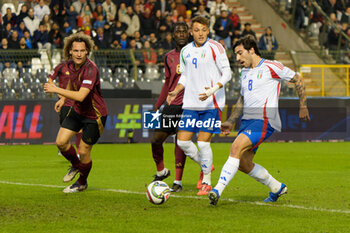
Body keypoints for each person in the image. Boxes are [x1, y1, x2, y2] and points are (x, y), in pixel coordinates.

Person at [208, 35, 310, 205]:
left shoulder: (271, 66)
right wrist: (231, 120)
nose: (238, 58)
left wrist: (303, 105)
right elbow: (242, 98)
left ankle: (217, 190)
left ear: (251, 50)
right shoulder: (245, 72)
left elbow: (297, 79)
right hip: (248, 121)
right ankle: (277, 187)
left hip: (264, 119)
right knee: (243, 163)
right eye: (236, 55)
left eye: (240, 53)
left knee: (236, 147)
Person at [167, 16, 232, 196]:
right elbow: (185, 76)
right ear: (191, 32)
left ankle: (206, 182)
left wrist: (212, 90)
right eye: (197, 30)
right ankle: (206, 165)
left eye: (203, 29)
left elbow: (227, 73)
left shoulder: (216, 48)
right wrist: (175, 90)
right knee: (182, 142)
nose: (201, 33)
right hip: (191, 104)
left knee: (203, 144)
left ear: (208, 30)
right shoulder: (186, 51)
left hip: (212, 103)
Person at [43, 33, 107, 193]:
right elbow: (72, 84)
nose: (79, 54)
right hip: (78, 111)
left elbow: (81, 95)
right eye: (76, 50)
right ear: (70, 51)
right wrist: (63, 99)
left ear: (87, 52)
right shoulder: (70, 65)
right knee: (61, 142)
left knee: (84, 151)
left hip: (95, 115)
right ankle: (77, 166)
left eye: (82, 51)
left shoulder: (91, 69)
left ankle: (82, 182)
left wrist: (56, 90)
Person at [151, 22, 189, 192]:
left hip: (189, 104)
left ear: (188, 34)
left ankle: (178, 182)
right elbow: (168, 83)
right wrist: (158, 105)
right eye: (177, 31)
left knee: (180, 141)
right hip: (172, 104)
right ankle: (161, 171)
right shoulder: (168, 57)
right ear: (173, 35)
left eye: (183, 31)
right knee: (156, 139)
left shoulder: (195, 54)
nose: (181, 34)